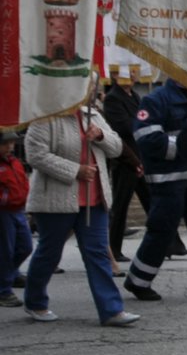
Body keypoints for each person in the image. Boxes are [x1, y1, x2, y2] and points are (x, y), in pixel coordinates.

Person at [21, 99, 139, 326]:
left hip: (94, 200)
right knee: (49, 252)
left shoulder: (93, 115)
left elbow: (116, 147)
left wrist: (101, 135)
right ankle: (35, 301)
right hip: (56, 200)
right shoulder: (46, 116)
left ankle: (112, 310)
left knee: (98, 255)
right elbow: (35, 154)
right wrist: (75, 170)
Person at [123, 76, 187, 301]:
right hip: (168, 179)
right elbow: (147, 139)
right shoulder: (156, 100)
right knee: (161, 232)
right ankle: (138, 281)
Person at [101, 73, 151, 264]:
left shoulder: (136, 96)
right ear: (114, 76)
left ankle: (172, 242)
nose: (131, 76)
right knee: (121, 205)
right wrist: (143, 124)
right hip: (125, 159)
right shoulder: (113, 98)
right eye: (125, 72)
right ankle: (114, 248)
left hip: (140, 157)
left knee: (152, 201)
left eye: (133, 72)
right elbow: (123, 126)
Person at [0, 130, 32, 306]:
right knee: (6, 251)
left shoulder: (15, 162)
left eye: (12, 143)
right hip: (4, 212)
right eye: (5, 144)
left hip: (18, 210)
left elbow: (23, 182)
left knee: (25, 246)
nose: (10, 147)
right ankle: (4, 290)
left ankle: (9, 275)